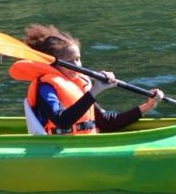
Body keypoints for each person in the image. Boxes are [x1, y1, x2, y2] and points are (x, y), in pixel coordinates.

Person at [16, 23, 163, 135]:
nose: (77, 65)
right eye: (70, 61)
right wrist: (95, 90)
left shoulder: (79, 84)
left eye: (78, 59)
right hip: (59, 148)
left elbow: (106, 123)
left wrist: (147, 106)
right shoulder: (46, 87)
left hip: (86, 142)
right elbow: (62, 121)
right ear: (52, 63)